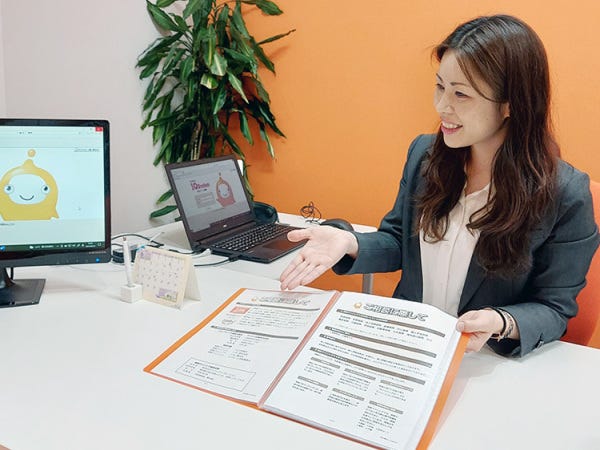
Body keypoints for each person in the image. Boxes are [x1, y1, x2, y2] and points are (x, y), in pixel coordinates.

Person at [279, 14, 600, 357]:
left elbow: (554, 308)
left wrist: (501, 321)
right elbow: (399, 241)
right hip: (409, 346)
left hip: (484, 359)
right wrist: (349, 242)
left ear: (510, 105)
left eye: (461, 94)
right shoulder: (425, 155)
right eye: (440, 86)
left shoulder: (565, 195)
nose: (442, 106)